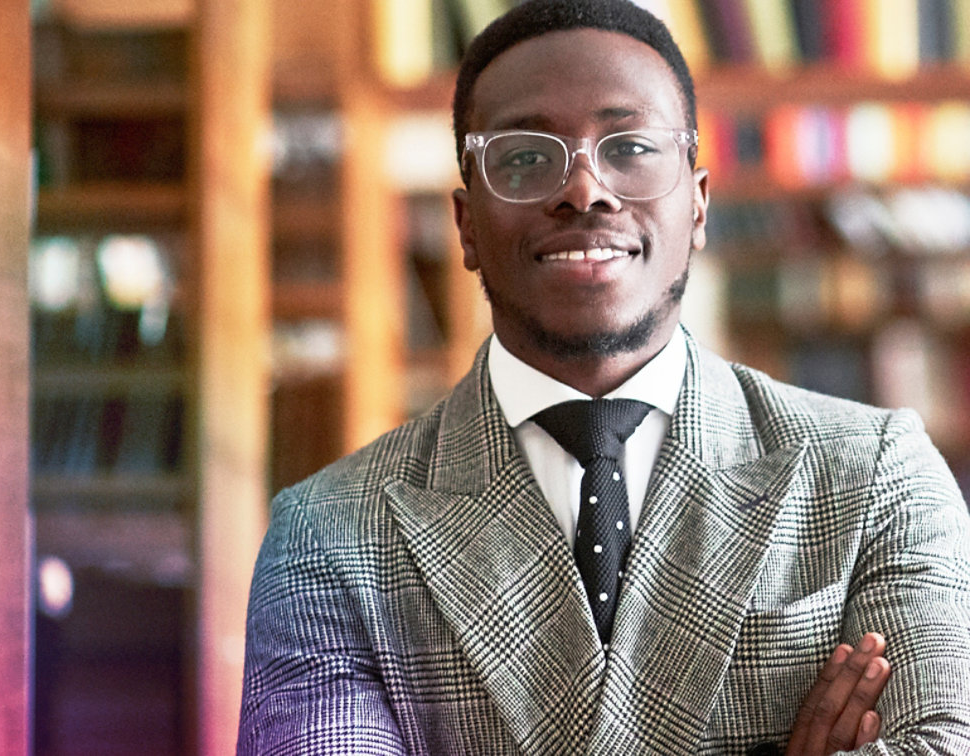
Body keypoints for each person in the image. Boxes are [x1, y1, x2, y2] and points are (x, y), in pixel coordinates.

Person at [238, 1, 970, 753]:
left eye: (630, 147)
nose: (584, 190)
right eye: (525, 157)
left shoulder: (878, 475)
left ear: (698, 205)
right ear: (465, 225)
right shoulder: (328, 536)